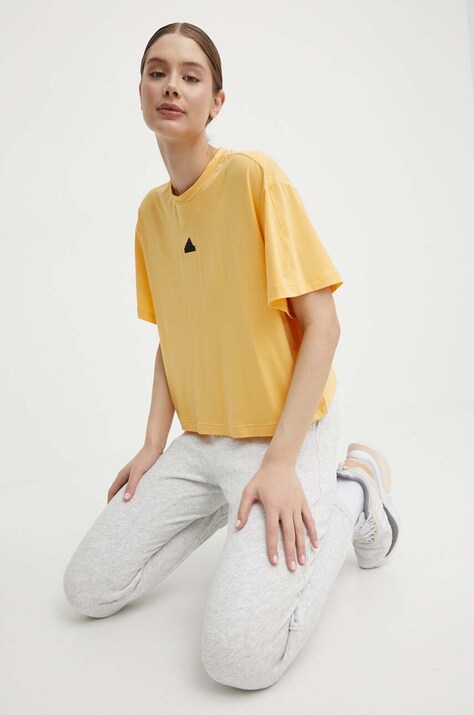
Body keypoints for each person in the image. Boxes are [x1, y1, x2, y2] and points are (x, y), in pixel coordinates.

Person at [63, 22, 401, 691]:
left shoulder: (253, 178)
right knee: (87, 588)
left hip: (285, 437)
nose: (172, 86)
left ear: (216, 101)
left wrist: (280, 463)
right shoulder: (150, 214)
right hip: (201, 443)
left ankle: (353, 491)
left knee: (238, 660)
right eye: (157, 72)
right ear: (140, 91)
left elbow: (324, 327)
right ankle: (234, 499)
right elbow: (173, 334)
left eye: (191, 76)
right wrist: (153, 442)